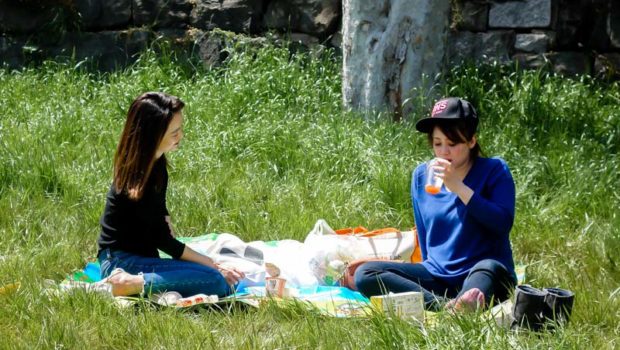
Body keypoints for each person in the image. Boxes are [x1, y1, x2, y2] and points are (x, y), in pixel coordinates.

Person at [354, 97, 517, 311]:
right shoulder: (422, 176)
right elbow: (425, 235)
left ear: (471, 141)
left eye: (452, 143)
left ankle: (463, 302)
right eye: (437, 143)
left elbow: (502, 223)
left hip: (483, 274)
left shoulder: (495, 170)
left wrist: (458, 187)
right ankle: (447, 308)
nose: (443, 152)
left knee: (488, 268)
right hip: (439, 275)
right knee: (365, 273)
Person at [97, 92, 244, 297]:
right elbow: (164, 241)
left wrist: (165, 218)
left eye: (180, 129)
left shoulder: (156, 165)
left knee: (214, 277)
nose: (180, 136)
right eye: (174, 132)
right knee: (215, 280)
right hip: (120, 262)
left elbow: (160, 220)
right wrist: (214, 264)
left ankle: (138, 281)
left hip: (142, 258)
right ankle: (130, 283)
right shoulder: (136, 179)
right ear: (153, 136)